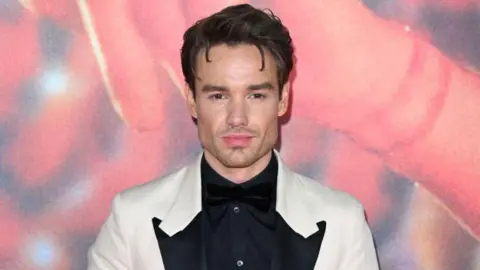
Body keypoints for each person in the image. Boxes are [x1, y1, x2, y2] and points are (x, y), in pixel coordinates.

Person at [87, 4, 379, 270]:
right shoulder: (131, 219)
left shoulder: (343, 222)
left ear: (283, 99)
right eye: (218, 95)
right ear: (192, 100)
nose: (237, 117)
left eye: (256, 94)